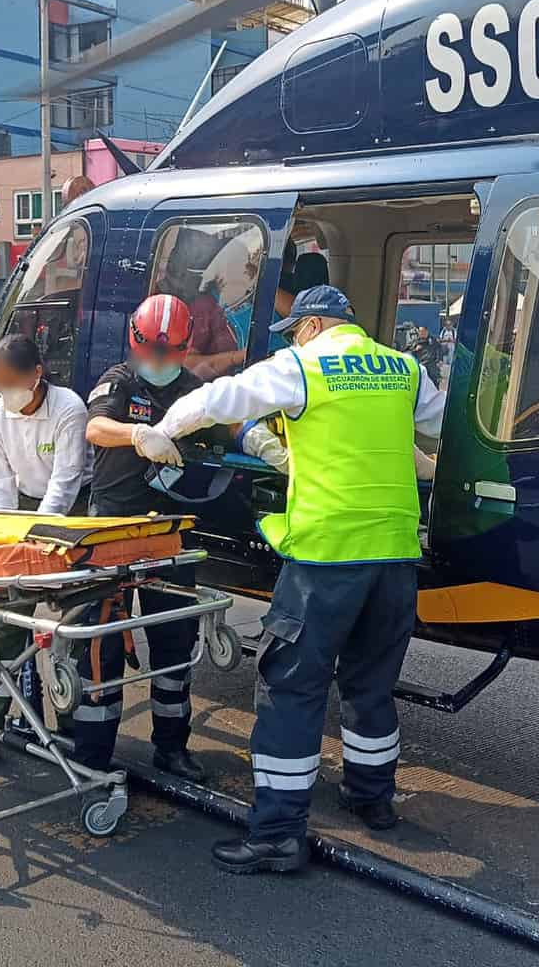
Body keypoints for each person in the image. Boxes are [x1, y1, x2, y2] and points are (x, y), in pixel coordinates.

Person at [152, 286, 446, 875]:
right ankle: (372, 799)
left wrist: (161, 429)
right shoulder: (406, 368)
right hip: (395, 557)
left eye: (294, 330)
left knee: (292, 687)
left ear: (311, 324)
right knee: (370, 684)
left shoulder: (305, 365)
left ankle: (278, 835)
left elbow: (218, 398)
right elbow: (444, 428)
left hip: (325, 558)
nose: (292, 339)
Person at [79, 293, 212, 784]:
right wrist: (137, 435)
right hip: (114, 526)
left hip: (169, 530)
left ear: (184, 347)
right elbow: (95, 427)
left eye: (170, 353)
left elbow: (225, 425)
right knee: (101, 639)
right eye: (152, 352)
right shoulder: (118, 381)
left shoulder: (194, 388)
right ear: (135, 341)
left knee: (174, 639)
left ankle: (172, 748)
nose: (159, 361)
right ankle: (92, 753)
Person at [0, 334, 92, 770]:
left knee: (73, 625)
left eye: (13, 382)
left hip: (71, 513)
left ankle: (75, 727)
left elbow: (66, 480)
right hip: (21, 513)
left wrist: (39, 539)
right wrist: (4, 536)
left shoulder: (69, 408)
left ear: (37, 375)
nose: (6, 393)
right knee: (6, 627)